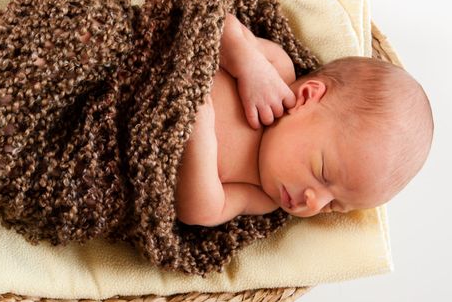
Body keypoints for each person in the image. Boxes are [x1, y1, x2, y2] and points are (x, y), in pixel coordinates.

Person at [175, 13, 434, 226]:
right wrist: (248, 65)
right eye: (322, 172)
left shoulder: (262, 195)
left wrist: (201, 141)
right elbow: (214, 24)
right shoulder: (276, 71)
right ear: (307, 97)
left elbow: (201, 212)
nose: (313, 202)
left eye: (331, 206)